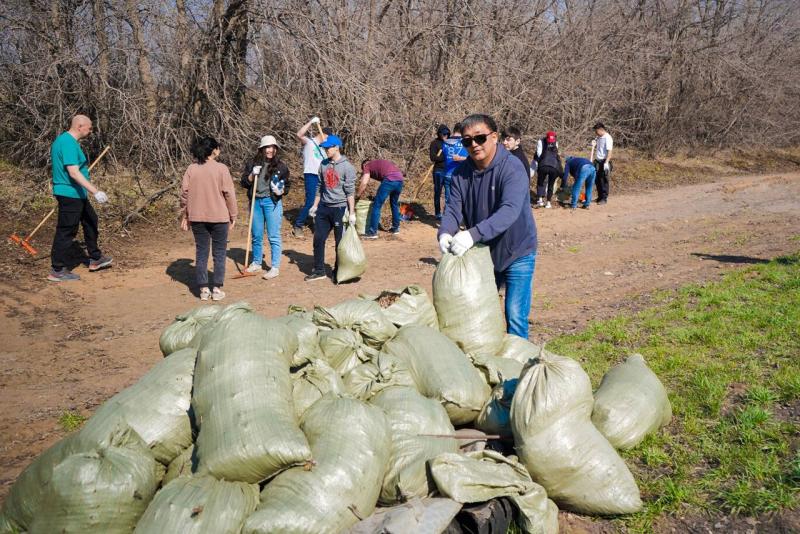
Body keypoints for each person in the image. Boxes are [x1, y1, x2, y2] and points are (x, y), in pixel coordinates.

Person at [437, 114, 538, 340]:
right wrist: (445, 232)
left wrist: (472, 234)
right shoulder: (460, 174)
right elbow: (453, 209)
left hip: (517, 250)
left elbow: (509, 210)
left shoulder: (512, 168)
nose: (473, 144)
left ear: (494, 137)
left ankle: (519, 368)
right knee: (481, 311)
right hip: (484, 254)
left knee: (514, 315)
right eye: (466, 141)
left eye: (479, 138)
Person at [48, 114, 112, 282]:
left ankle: (95, 258)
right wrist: (95, 191)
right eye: (89, 128)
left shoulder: (66, 141)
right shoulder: (68, 142)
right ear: (80, 126)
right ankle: (57, 269)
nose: (90, 131)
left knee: (91, 220)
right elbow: (73, 172)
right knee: (67, 230)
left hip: (77, 193)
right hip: (70, 194)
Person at [180, 136, 238, 301]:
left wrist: (186, 214)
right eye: (218, 147)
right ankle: (217, 288)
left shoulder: (191, 169)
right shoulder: (221, 168)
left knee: (201, 251)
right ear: (213, 150)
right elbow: (229, 193)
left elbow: (184, 194)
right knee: (219, 253)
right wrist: (233, 214)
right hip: (219, 216)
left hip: (197, 217)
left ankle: (204, 289)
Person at [306, 134, 356, 282]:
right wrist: (315, 206)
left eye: (328, 148)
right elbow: (320, 187)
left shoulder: (348, 167)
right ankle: (319, 270)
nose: (326, 150)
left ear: (336, 147)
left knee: (339, 243)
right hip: (324, 208)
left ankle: (338, 270)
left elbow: (350, 192)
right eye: (324, 148)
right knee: (318, 239)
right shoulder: (323, 164)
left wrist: (351, 213)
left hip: (340, 208)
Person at [240, 134, 289, 280]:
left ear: (276, 149)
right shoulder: (253, 164)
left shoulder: (281, 166)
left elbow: (287, 186)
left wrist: (281, 191)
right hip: (256, 201)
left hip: (271, 202)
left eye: (272, 147)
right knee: (256, 234)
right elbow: (243, 182)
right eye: (267, 147)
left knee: (273, 235)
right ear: (261, 149)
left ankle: (274, 267)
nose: (270, 150)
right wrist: (251, 175)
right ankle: (256, 262)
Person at [292, 117, 331, 237]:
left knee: (320, 203)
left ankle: (317, 225)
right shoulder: (310, 142)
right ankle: (298, 225)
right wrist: (310, 122)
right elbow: (299, 134)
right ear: (323, 134)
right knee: (310, 201)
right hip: (311, 175)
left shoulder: (324, 150)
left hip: (321, 177)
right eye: (328, 137)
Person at [358, 159, 404, 238]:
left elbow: (364, 183)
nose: (364, 172)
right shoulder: (378, 163)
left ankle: (372, 232)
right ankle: (395, 228)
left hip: (390, 179)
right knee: (394, 204)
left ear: (364, 165)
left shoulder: (367, 166)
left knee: (377, 205)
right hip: (400, 179)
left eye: (363, 171)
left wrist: (357, 195)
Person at [440, 122, 468, 217]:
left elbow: (443, 156)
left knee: (448, 198)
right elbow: (471, 159)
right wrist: (460, 158)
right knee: (462, 198)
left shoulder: (445, 142)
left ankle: (447, 218)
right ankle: (459, 219)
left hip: (447, 173)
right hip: (461, 175)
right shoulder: (465, 142)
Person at [533, 131, 562, 209]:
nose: (551, 143)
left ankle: (540, 200)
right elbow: (556, 154)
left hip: (544, 165)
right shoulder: (542, 141)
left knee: (540, 182)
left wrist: (539, 161)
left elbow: (539, 154)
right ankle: (548, 203)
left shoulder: (541, 142)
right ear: (546, 137)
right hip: (553, 167)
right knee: (550, 185)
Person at [430, 124, 449, 220]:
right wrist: (445, 157)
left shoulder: (450, 143)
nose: (445, 135)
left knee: (449, 193)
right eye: (443, 133)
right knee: (438, 192)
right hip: (438, 171)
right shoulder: (435, 143)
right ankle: (437, 213)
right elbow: (433, 158)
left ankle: (448, 213)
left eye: (447, 133)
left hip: (449, 171)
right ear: (439, 134)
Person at [592, 123, 613, 204]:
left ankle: (604, 198)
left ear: (601, 129)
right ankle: (599, 197)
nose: (595, 133)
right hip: (597, 161)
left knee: (603, 180)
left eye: (596, 131)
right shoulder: (598, 137)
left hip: (604, 161)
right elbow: (595, 144)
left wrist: (606, 163)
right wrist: (594, 143)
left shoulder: (608, 138)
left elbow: (610, 151)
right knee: (597, 180)